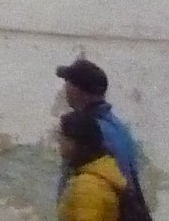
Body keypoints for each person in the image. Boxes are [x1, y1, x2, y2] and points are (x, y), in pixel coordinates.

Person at [57, 58, 152, 220]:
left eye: (68, 83)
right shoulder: (118, 128)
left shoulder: (92, 130)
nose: (65, 88)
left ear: (79, 91)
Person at [58, 109, 127, 221]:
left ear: (74, 142)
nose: (59, 141)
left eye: (62, 135)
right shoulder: (97, 176)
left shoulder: (87, 186)